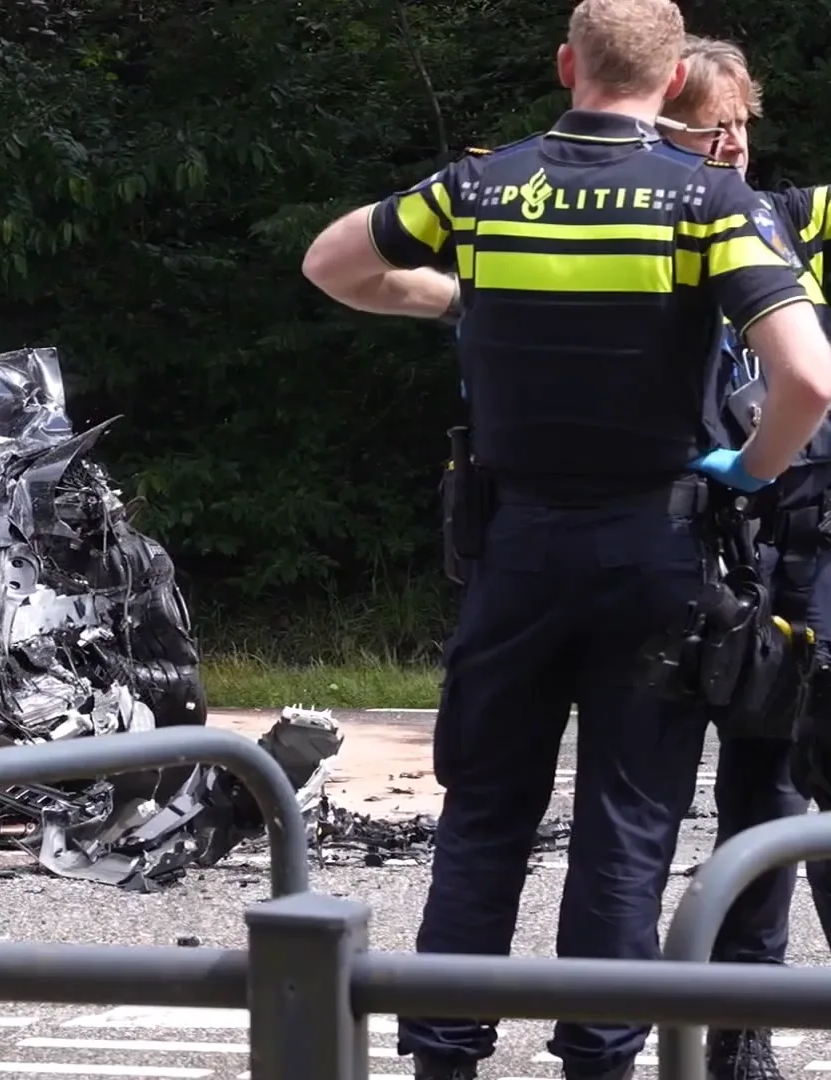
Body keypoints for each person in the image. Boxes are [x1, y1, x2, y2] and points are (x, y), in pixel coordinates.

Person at [299, 1, 831, 1078]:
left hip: (515, 548)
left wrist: (461, 302)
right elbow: (808, 378)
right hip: (657, 550)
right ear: (674, 73)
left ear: (563, 64)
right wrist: (755, 469)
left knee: (484, 813)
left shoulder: (483, 188)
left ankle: (444, 1054)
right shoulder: (709, 200)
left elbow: (331, 265)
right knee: (627, 827)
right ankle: (600, 1056)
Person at [659, 35, 831, 1080]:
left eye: (741, 123)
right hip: (699, 544)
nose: (729, 142)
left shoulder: (793, 219)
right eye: (706, 124)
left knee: (797, 778)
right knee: (734, 793)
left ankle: (747, 1031)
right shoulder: (645, 228)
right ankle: (734, 1027)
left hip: (807, 535)